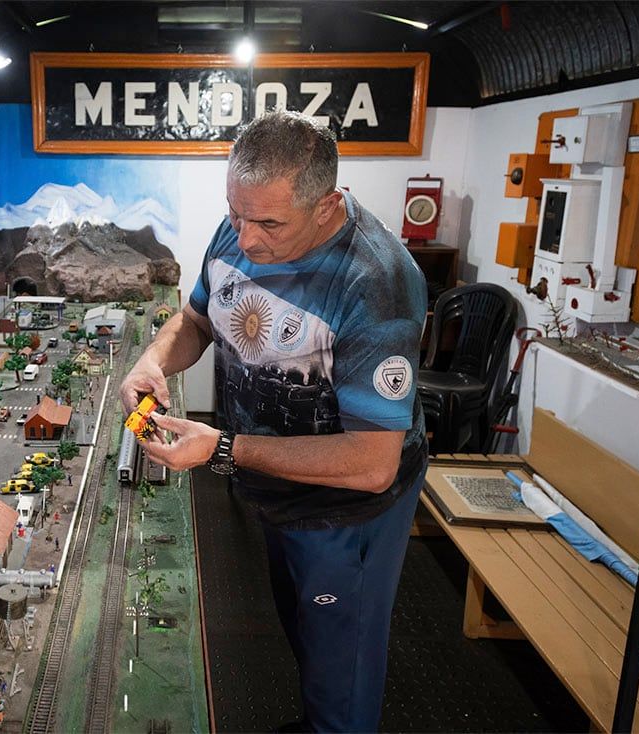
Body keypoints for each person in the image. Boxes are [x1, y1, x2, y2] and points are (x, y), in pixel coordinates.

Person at [120, 110, 427, 733]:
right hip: (272, 489)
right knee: (301, 632)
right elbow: (199, 321)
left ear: (327, 205)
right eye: (236, 214)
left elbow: (372, 464)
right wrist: (151, 360)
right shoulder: (241, 225)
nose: (247, 239)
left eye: (268, 224)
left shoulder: (377, 283)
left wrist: (225, 449)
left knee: (342, 669)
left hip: (345, 513)